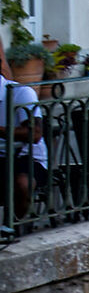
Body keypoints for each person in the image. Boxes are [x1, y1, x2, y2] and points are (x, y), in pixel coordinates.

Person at [6, 75, 45, 223]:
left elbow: (35, 133)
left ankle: (13, 226)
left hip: (28, 156)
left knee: (23, 183)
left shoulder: (20, 92)